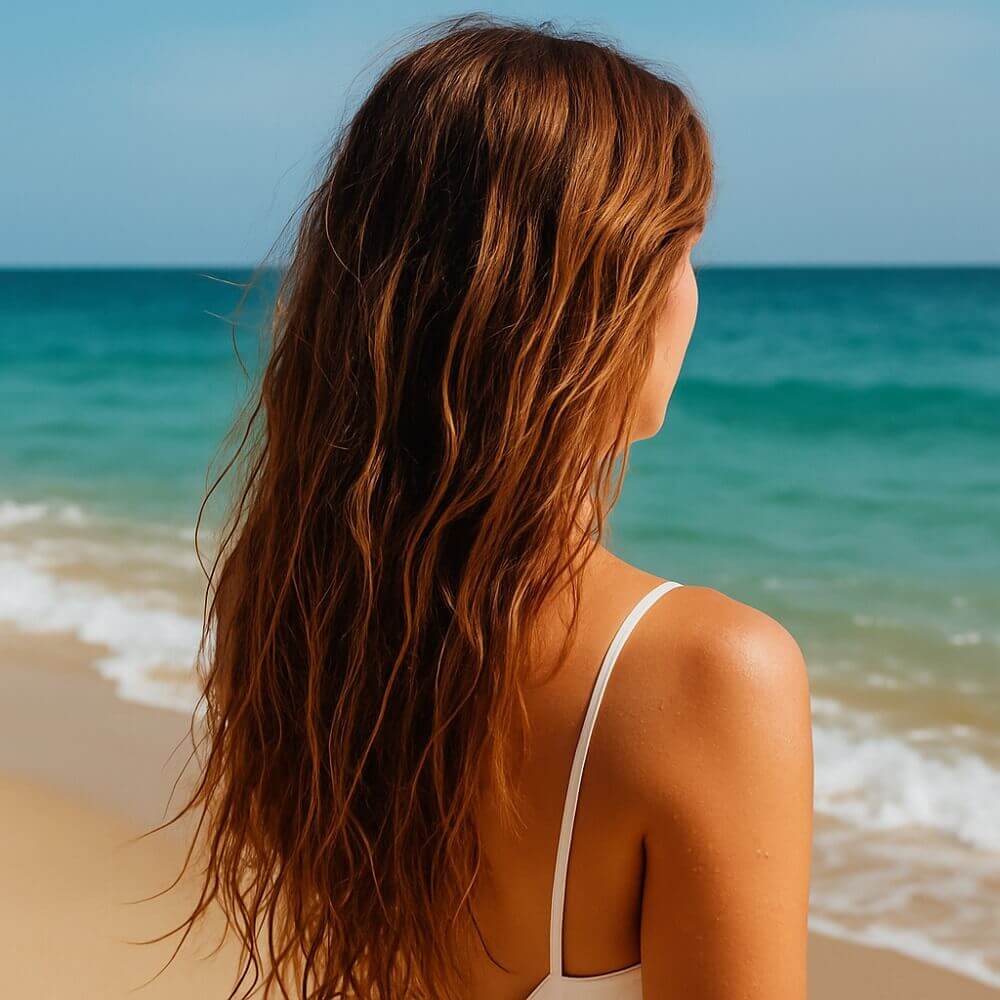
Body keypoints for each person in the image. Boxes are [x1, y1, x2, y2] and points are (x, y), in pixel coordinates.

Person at [170, 14, 813, 999]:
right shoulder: (707, 673)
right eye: (680, 248)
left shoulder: (296, 604)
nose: (690, 291)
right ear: (588, 288)